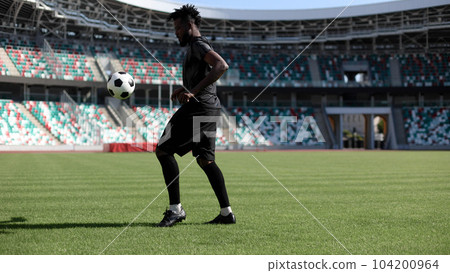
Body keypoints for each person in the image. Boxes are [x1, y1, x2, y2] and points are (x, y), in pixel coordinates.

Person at [155, 4, 235, 227]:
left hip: (199, 108)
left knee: (163, 150)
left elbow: (221, 65)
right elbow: (205, 73)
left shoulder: (198, 44)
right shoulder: (196, 46)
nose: (176, 33)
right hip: (209, 107)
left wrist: (193, 91)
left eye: (178, 28)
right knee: (205, 160)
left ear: (190, 25)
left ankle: (175, 210)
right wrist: (186, 88)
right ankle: (226, 213)